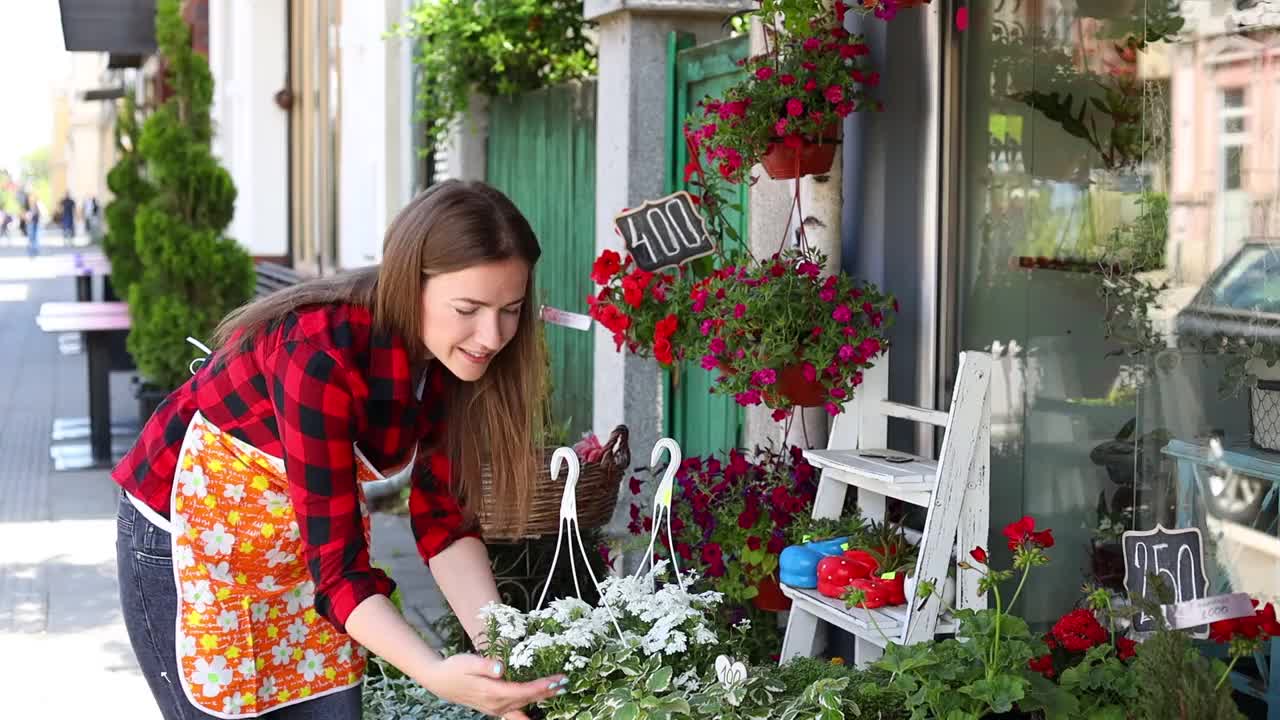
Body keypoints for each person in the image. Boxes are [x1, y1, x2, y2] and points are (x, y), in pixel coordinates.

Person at [112, 180, 566, 720]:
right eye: (469, 308)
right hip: (197, 552)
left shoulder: (456, 357)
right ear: (409, 283)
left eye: (510, 309)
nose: (491, 336)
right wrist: (436, 675)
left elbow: (443, 519)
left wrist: (501, 660)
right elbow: (341, 569)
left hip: (307, 552)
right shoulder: (318, 353)